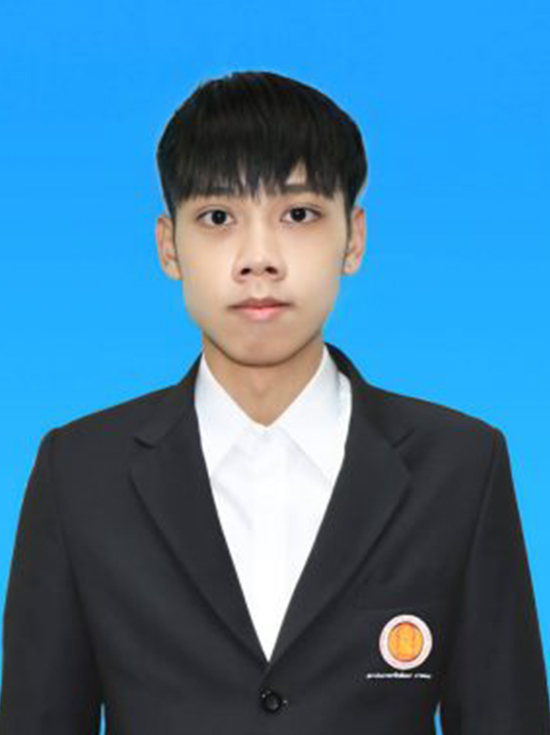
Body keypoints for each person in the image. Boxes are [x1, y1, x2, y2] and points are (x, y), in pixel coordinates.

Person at [1, 69, 548, 735]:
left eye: (298, 215)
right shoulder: (80, 471)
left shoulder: (460, 464)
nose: (258, 258)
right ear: (169, 247)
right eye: (218, 217)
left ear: (353, 238)